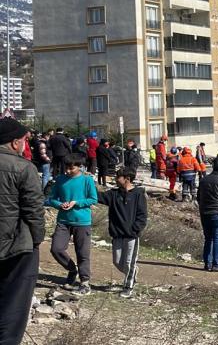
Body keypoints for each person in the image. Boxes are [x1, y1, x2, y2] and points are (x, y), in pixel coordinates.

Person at [0, 118, 45, 345]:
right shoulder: (24, 167)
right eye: (26, 141)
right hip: (18, 246)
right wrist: (37, 239)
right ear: (16, 143)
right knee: (14, 307)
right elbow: (34, 210)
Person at [46, 156, 98, 295]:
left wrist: (76, 202)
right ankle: (72, 270)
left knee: (82, 253)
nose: (68, 171)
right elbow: (52, 198)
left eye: (71, 168)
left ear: (80, 166)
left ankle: (85, 282)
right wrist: (59, 204)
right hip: (63, 221)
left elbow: (93, 199)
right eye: (66, 168)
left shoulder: (87, 180)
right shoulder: (60, 179)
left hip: (82, 222)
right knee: (56, 248)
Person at [97, 167, 147, 298]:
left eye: (118, 177)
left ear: (127, 179)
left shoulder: (138, 194)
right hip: (117, 234)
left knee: (129, 262)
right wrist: (87, 185)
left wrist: (135, 229)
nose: (115, 179)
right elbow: (97, 196)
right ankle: (133, 272)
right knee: (117, 261)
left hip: (131, 236)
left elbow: (142, 215)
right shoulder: (113, 194)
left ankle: (128, 286)